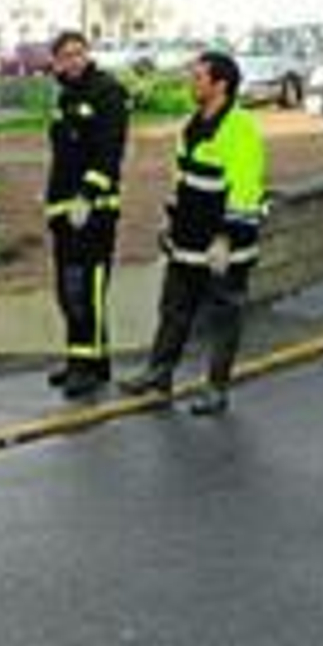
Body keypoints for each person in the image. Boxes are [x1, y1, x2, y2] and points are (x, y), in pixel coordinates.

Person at [119, 51, 267, 415]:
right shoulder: (193, 124)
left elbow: (245, 189)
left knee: (224, 315)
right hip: (187, 239)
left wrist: (227, 238)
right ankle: (159, 373)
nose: (191, 83)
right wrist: (170, 225)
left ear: (220, 85)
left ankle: (216, 387)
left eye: (198, 78)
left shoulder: (240, 128)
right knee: (174, 308)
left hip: (223, 244)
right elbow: (182, 182)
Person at [45, 30, 130, 399]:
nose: (73, 60)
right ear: (57, 60)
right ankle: (86, 359)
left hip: (93, 211)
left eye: (79, 53)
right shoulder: (65, 95)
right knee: (68, 290)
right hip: (65, 211)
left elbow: (110, 152)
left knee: (86, 288)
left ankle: (87, 368)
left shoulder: (106, 91)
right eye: (66, 55)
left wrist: (88, 194)